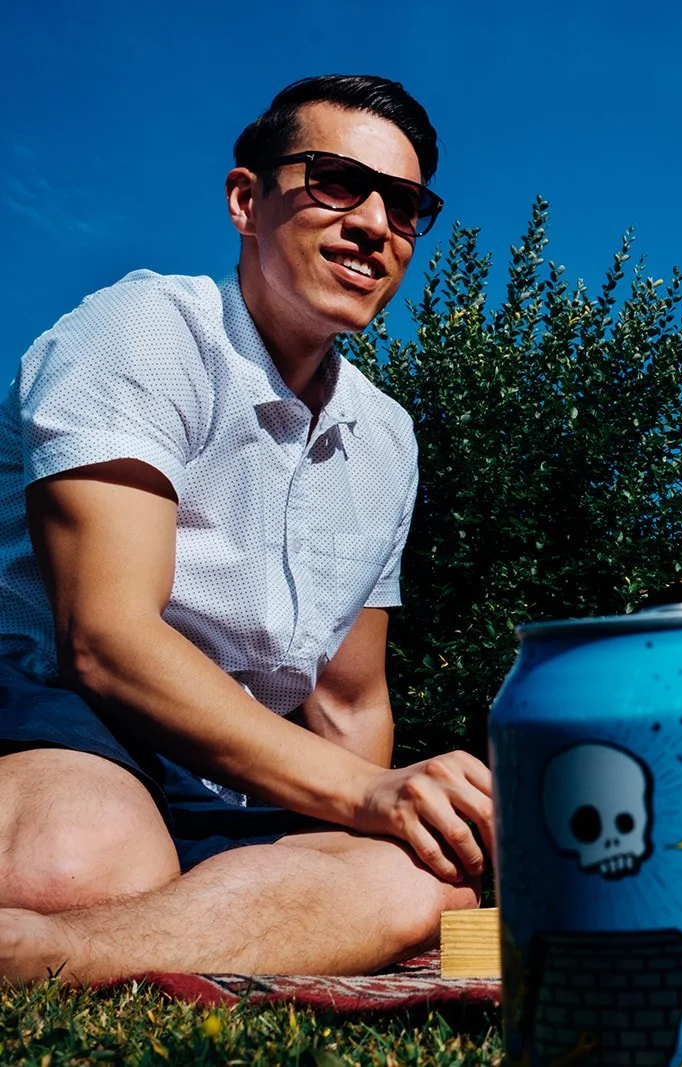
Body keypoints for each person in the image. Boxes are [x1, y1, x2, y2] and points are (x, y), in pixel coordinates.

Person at [0, 75, 494, 983]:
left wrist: (362, 826)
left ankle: (58, 953)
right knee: (83, 862)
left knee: (427, 882)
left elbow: (348, 702)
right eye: (338, 182)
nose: (374, 223)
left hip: (236, 767)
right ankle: (150, 906)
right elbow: (105, 641)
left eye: (405, 204)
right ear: (246, 201)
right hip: (58, 715)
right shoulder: (142, 331)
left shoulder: (386, 435)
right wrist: (365, 797)